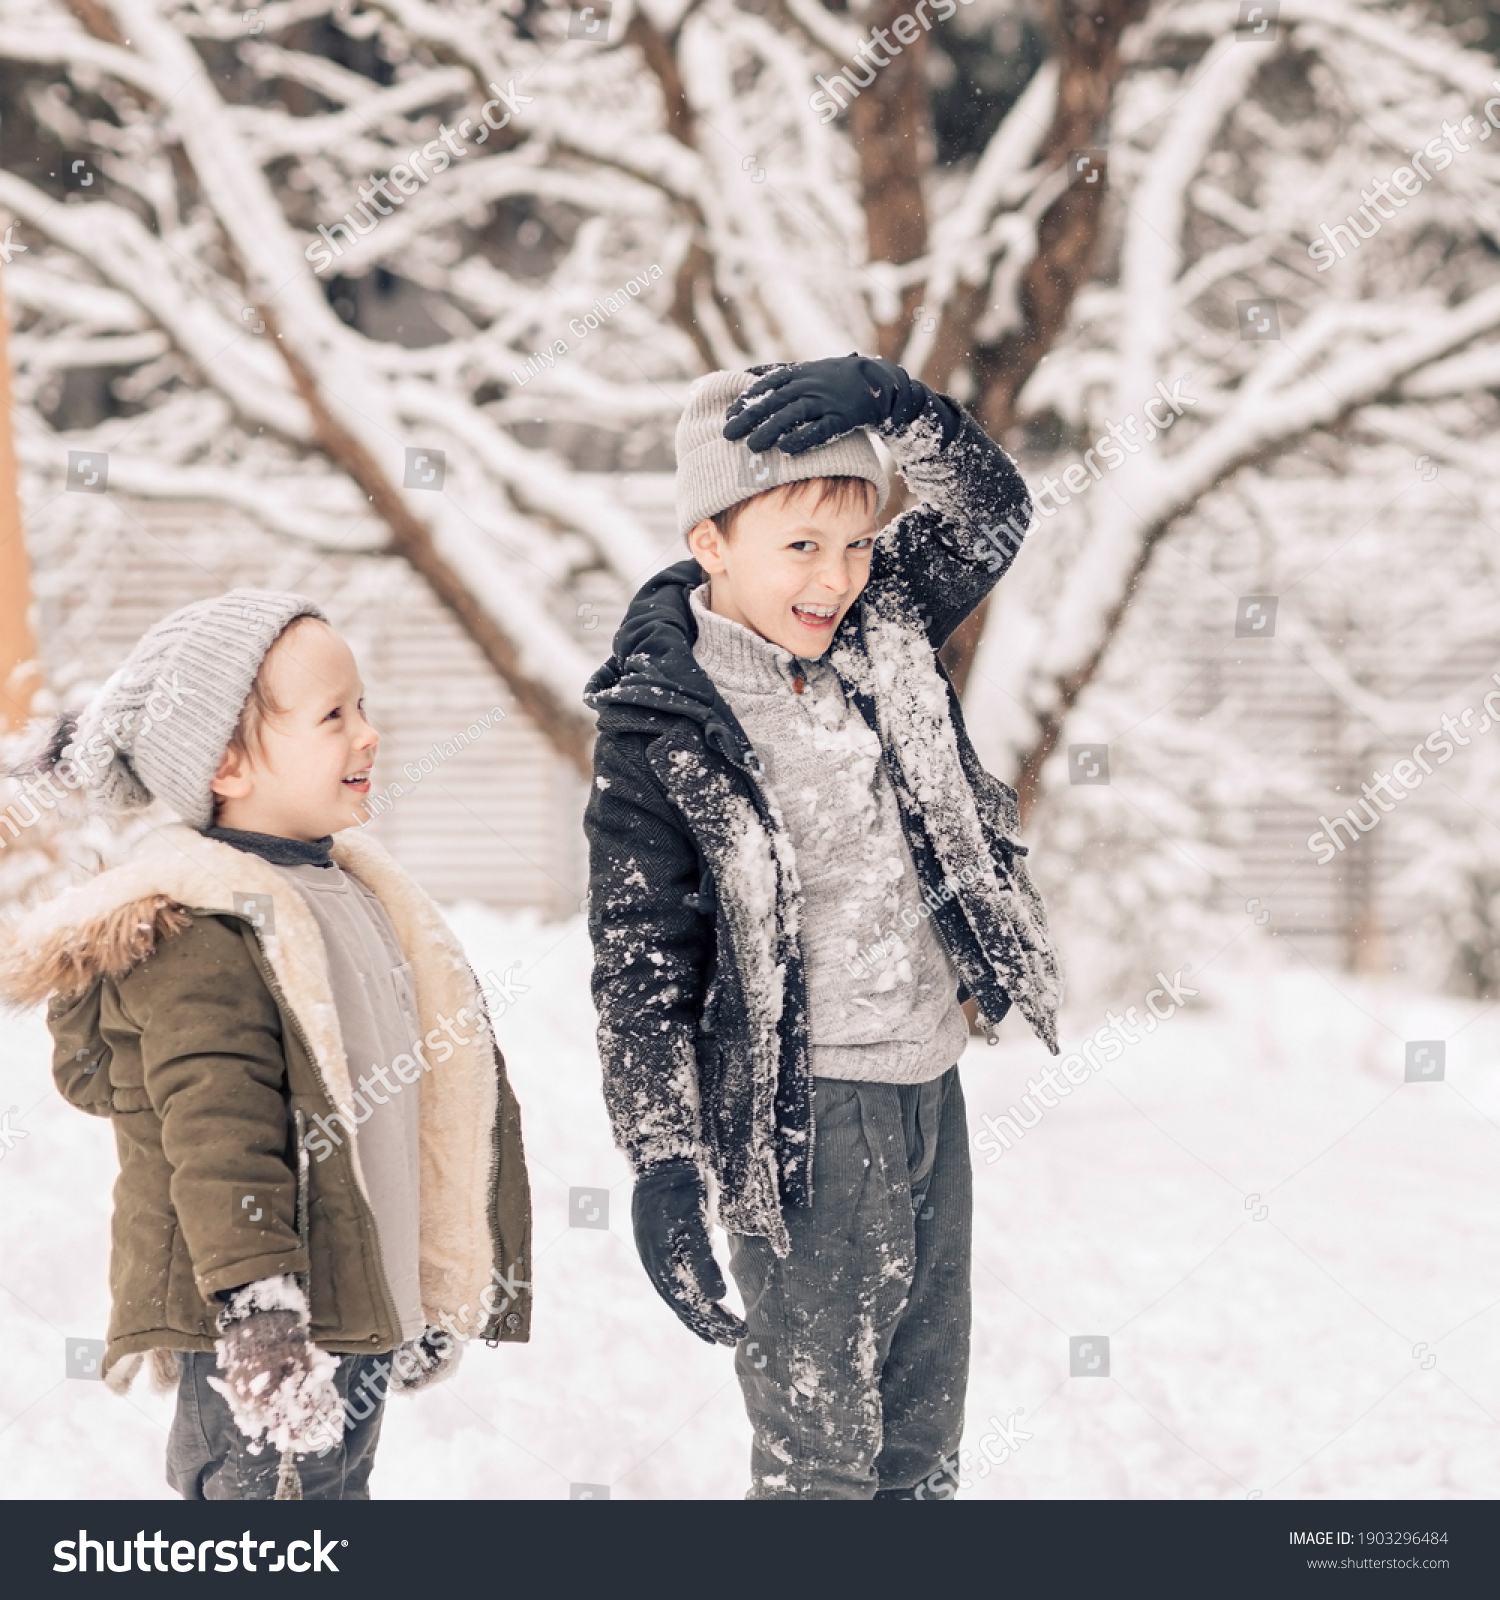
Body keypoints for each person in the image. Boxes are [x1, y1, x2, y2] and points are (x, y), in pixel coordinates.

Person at [584, 355, 1062, 1498]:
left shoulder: (881, 625)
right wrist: (663, 1161)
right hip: (802, 1115)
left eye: (854, 543)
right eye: (801, 545)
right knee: (822, 1459)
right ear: (712, 544)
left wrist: (897, 406)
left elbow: (994, 511)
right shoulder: (662, 721)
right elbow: (639, 963)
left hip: (925, 1088)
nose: (838, 575)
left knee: (920, 1439)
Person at [0, 591, 530, 1499]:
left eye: (361, 707)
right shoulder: (206, 929)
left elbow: (411, 1105)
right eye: (333, 716)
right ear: (226, 765)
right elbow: (219, 1139)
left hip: (355, 1311)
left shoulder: (353, 894)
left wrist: (419, 1281)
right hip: (264, 1334)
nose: (368, 734)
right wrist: (259, 1320)